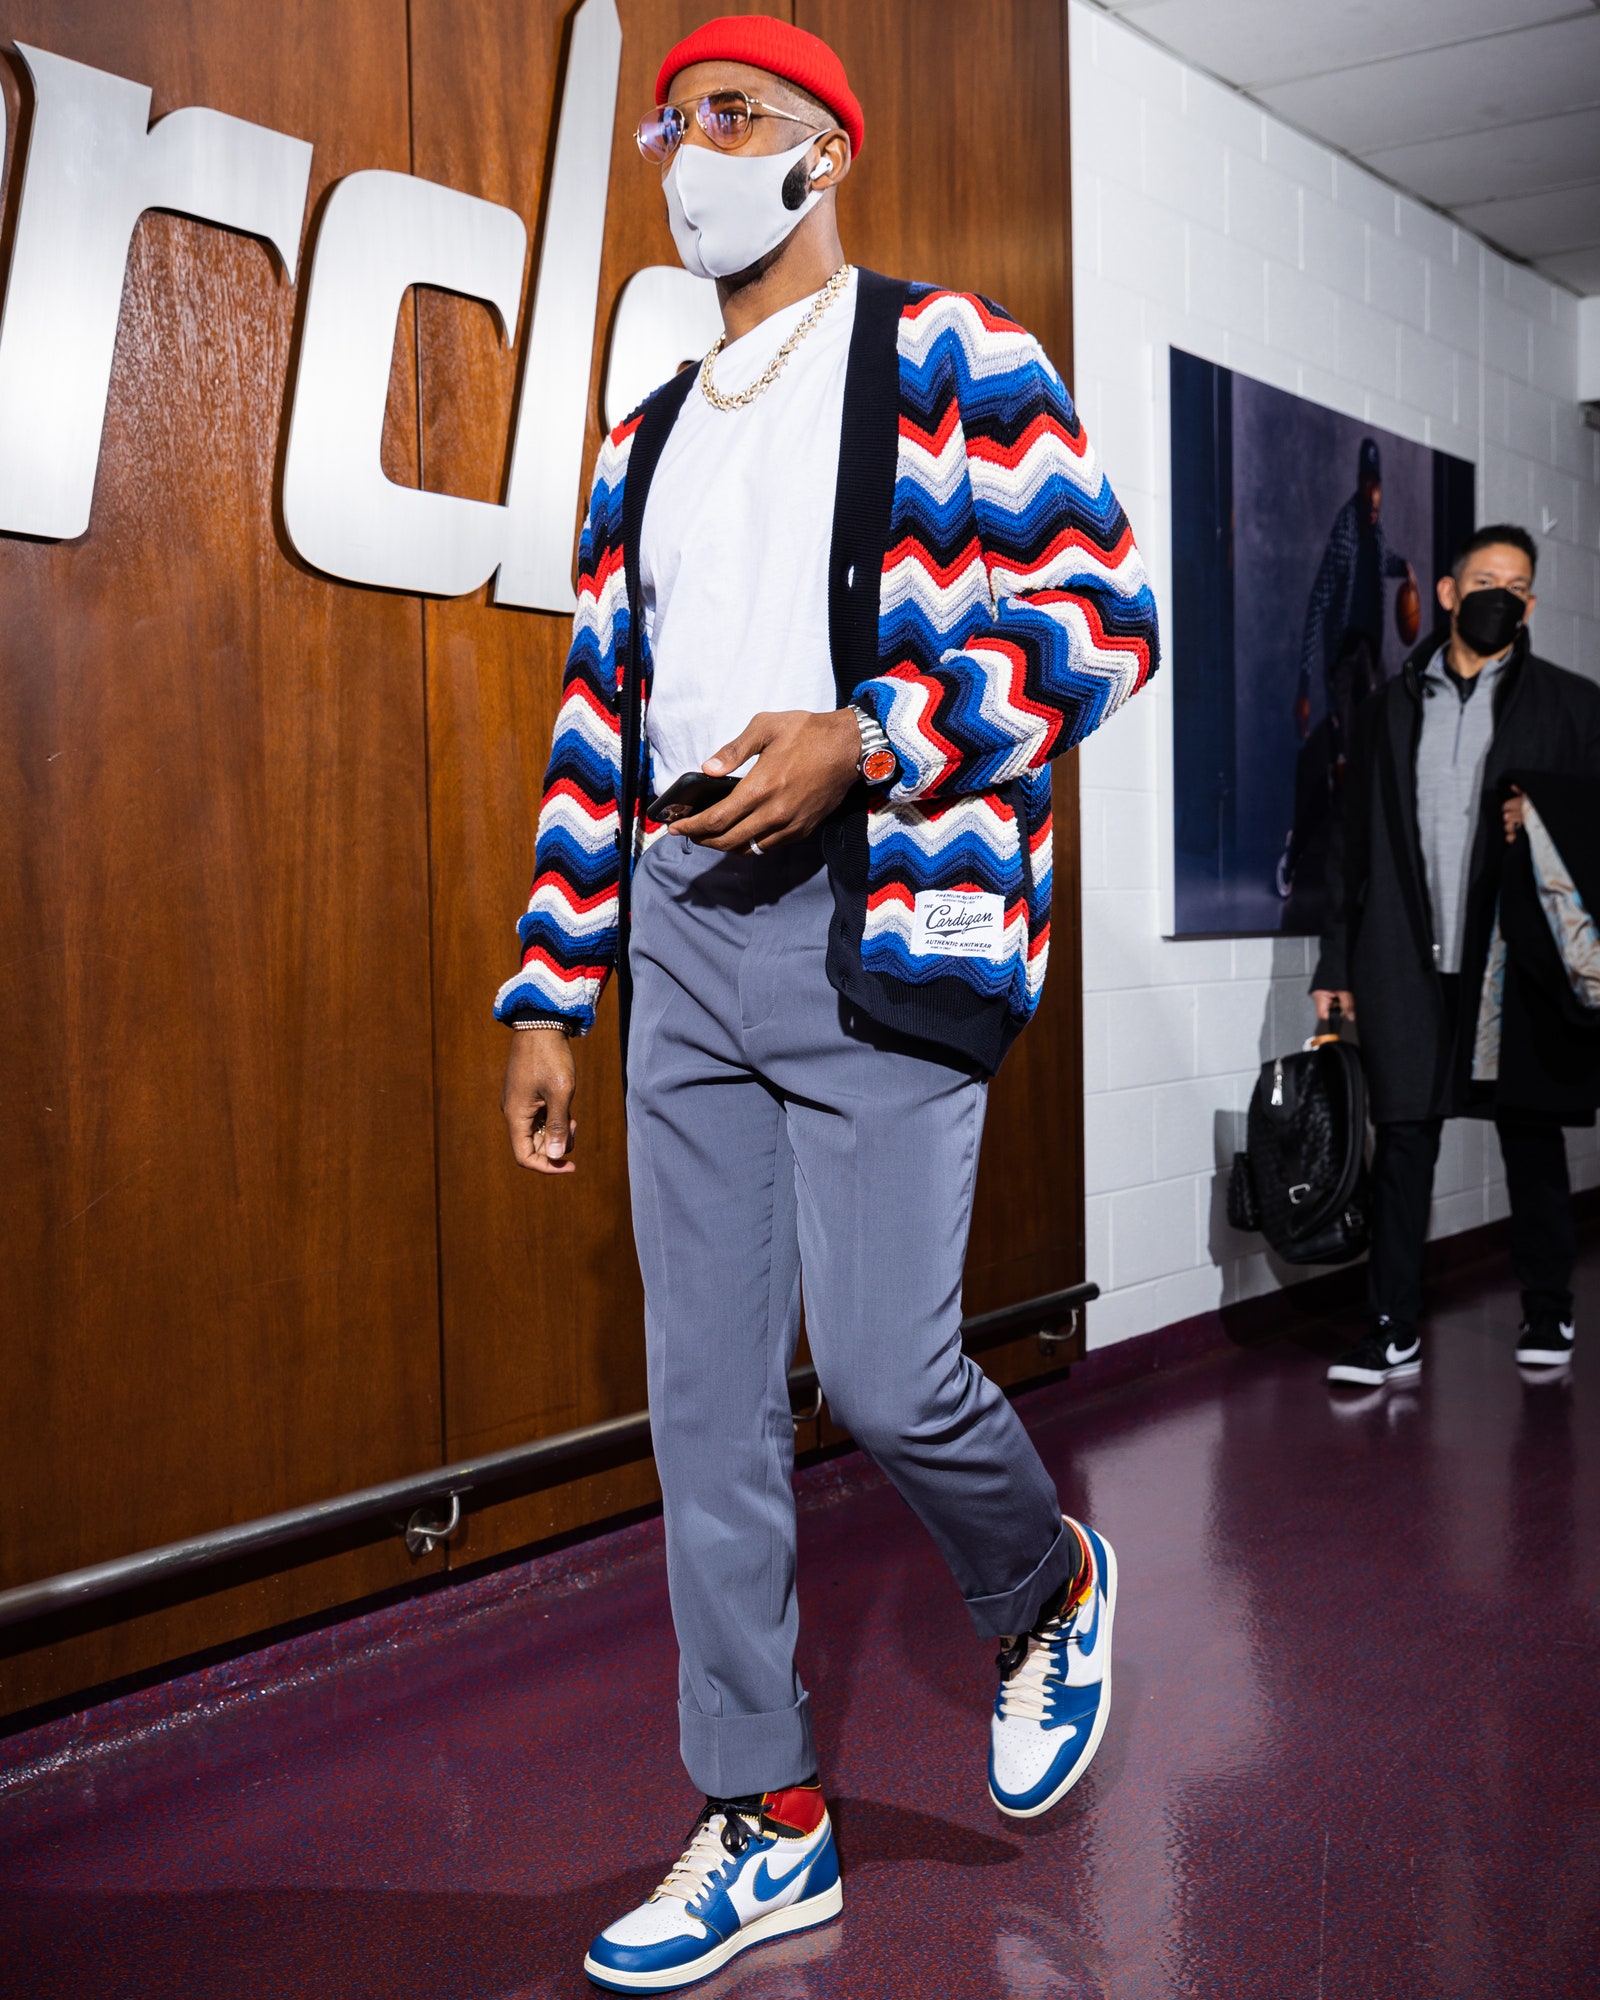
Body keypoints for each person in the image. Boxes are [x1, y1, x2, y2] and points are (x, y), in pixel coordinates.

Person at [493, 18, 1159, 1991]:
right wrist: (551, 982)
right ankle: (763, 1818)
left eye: (727, 117)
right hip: (681, 924)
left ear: (822, 150)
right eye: (670, 124)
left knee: (880, 1370)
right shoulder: (646, 435)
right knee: (702, 1406)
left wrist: (872, 738)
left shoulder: (947, 356)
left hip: (875, 909)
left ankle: (1039, 1586)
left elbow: (1096, 617)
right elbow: (595, 725)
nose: (687, 155)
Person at [1312, 524, 1600, 1393]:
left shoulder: (1573, 705)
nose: (1497, 596)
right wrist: (1335, 962)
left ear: (1531, 604)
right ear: (1446, 592)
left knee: (1530, 1133)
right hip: (1403, 951)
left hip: (1513, 956)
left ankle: (1548, 1305)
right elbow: (1351, 846)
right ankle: (1392, 1327)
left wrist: (1545, 821)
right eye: (1484, 580)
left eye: (1515, 586)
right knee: (1403, 1140)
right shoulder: (1391, 704)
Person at [1277, 438, 1415, 915]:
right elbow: (1317, 604)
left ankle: (1365, 873)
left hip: (1368, 660)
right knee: (1339, 767)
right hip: (1342, 661)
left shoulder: (1374, 530)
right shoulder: (1344, 532)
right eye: (1370, 489)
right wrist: (1304, 683)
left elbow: (1384, 557)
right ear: (1361, 484)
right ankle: (1297, 856)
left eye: (1381, 493)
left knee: (1373, 758)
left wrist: (1408, 571)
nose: (1375, 504)